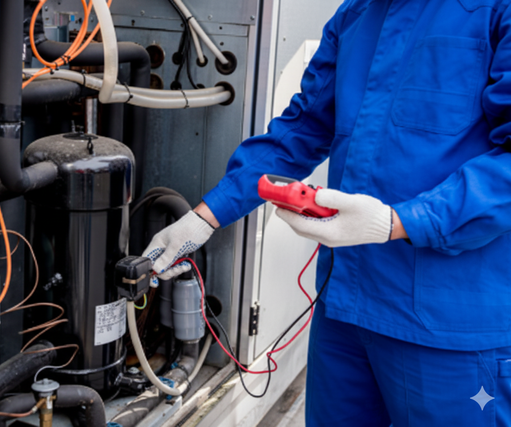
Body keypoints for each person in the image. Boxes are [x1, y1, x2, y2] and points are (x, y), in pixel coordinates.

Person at [143, 0, 511, 425]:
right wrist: (204, 217)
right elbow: (302, 128)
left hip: (450, 327)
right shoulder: (358, 14)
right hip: (345, 311)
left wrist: (400, 222)